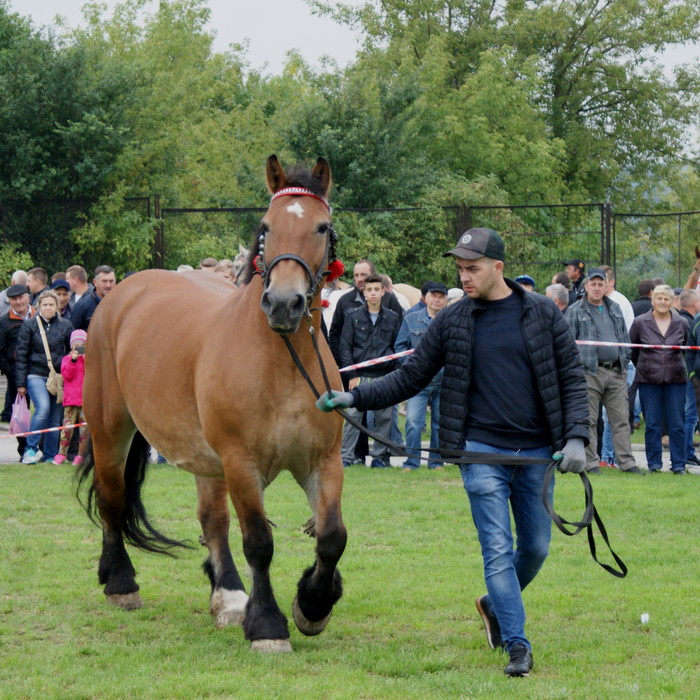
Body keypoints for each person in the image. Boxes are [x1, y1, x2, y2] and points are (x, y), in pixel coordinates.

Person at [317, 227, 589, 677]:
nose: (463, 277)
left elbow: (571, 380)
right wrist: (355, 397)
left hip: (537, 453)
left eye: (473, 268)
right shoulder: (454, 320)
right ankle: (518, 646)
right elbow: (411, 376)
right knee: (497, 551)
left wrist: (577, 437)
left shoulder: (542, 313)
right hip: (479, 451)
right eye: (460, 269)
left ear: (498, 268)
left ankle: (492, 604)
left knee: (537, 548)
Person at [565, 268, 641, 474]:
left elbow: (624, 339)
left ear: (607, 285)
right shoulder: (575, 310)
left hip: (616, 372)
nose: (597, 288)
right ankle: (591, 463)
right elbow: (568, 345)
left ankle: (627, 463)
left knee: (622, 420)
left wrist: (624, 365)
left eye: (601, 284)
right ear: (586, 286)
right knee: (589, 420)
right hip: (589, 372)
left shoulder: (615, 308)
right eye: (593, 284)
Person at [339, 273, 402, 468]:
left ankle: (379, 457)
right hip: (361, 376)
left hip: (384, 376)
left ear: (384, 291)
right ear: (363, 292)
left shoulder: (393, 318)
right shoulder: (352, 316)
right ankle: (346, 457)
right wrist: (352, 375)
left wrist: (397, 376)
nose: (373, 293)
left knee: (385, 419)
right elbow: (345, 348)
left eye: (376, 289)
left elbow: (399, 347)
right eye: (369, 290)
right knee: (352, 418)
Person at [629, 285, 689, 474]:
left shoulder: (682, 323)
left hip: (676, 379)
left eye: (666, 299)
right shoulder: (640, 322)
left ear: (672, 302)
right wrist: (647, 366)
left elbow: (686, 348)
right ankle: (654, 464)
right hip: (648, 379)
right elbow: (633, 351)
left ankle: (679, 464)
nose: (663, 302)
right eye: (659, 298)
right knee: (652, 424)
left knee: (677, 423)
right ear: (653, 300)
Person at [15, 290, 73, 464]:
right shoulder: (30, 325)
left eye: (51, 305)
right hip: (36, 374)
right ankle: (30, 449)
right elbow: (22, 355)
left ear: (57, 307)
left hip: (58, 377)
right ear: (39, 306)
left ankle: (49, 454)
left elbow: (70, 350)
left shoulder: (66, 325)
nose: (48, 308)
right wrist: (20, 382)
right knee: (43, 409)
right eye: (45, 305)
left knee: (55, 418)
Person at [395, 281, 448, 471]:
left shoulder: (450, 320)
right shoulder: (411, 319)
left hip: (444, 382)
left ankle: (436, 462)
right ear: (425, 298)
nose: (437, 300)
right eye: (434, 295)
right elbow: (400, 347)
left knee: (438, 425)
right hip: (419, 382)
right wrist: (410, 367)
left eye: (441, 296)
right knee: (413, 422)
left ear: (446, 300)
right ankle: (411, 461)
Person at [0, 284, 36, 456]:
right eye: (14, 299)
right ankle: (24, 449)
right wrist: (12, 373)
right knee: (20, 412)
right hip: (16, 374)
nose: (18, 302)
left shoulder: (40, 315)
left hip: (40, 371)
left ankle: (43, 446)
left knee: (44, 410)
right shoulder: (4, 321)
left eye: (21, 297)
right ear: (9, 301)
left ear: (28, 297)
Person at [52, 329, 89, 466]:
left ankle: (81, 455)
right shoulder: (66, 360)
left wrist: (86, 359)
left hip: (85, 401)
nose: (78, 349)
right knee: (67, 429)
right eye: (76, 345)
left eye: (81, 345)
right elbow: (67, 375)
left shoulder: (89, 361)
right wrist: (73, 360)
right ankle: (62, 454)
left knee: (84, 431)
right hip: (70, 401)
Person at [71, 265, 116, 331]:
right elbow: (72, 335)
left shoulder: (121, 304)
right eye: (104, 281)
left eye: (111, 281)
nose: (108, 285)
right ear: (95, 282)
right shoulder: (82, 306)